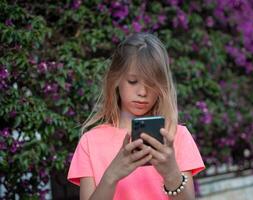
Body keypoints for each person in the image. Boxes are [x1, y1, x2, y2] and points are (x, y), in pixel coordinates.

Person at [67, 32, 205, 200]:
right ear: (115, 79)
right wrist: (111, 176)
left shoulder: (177, 136)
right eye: (133, 81)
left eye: (152, 84)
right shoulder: (90, 142)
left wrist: (171, 174)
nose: (142, 92)